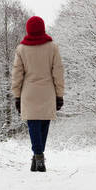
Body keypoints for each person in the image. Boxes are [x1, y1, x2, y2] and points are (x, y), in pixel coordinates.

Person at [11, 16, 65, 172]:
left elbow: (17, 74)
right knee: (43, 126)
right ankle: (38, 157)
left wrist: (17, 95)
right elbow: (58, 72)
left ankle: (38, 157)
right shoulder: (52, 47)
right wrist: (59, 94)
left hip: (28, 92)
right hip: (47, 92)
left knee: (33, 126)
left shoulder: (21, 49)